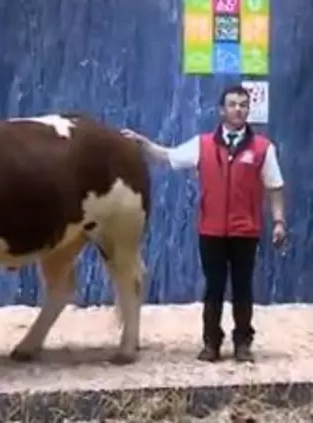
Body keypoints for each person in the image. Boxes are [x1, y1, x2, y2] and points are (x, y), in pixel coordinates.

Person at [121, 85, 286, 363]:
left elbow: (275, 186)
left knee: (243, 288)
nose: (238, 109)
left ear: (249, 110)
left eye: (243, 105)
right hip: (211, 231)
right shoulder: (203, 145)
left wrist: (279, 221)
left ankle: (243, 343)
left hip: (245, 231)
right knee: (214, 288)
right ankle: (211, 343)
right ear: (222, 110)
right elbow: (168, 156)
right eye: (232, 104)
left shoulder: (262, 149)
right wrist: (142, 143)